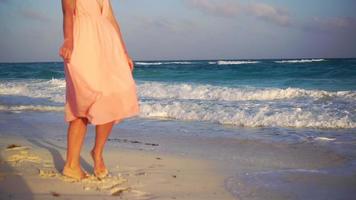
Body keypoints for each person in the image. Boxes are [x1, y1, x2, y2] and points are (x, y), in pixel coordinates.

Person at [58, 0, 140, 180]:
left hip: (108, 46)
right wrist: (68, 40)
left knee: (115, 94)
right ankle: (71, 165)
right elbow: (68, 12)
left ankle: (97, 152)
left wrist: (124, 52)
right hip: (82, 44)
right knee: (83, 100)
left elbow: (111, 20)